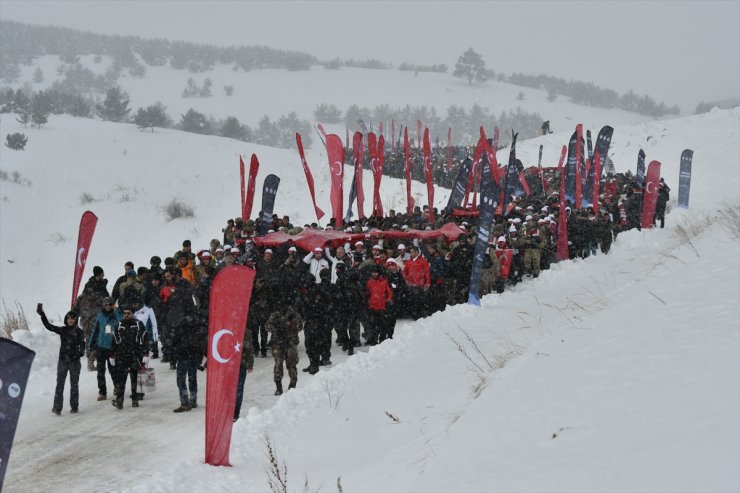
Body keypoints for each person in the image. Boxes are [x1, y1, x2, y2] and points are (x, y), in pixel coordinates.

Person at [37, 304, 85, 415]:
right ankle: (57, 408)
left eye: (73, 318)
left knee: (74, 385)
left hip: (74, 362)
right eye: (68, 318)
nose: (70, 320)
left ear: (75, 320)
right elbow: (49, 326)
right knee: (60, 385)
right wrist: (42, 314)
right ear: (66, 319)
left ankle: (74, 406)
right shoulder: (62, 330)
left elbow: (83, 344)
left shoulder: (79, 332)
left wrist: (80, 353)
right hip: (63, 361)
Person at [110, 305, 148, 409]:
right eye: (125, 313)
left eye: (128, 313)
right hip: (121, 355)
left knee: (135, 378)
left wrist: (146, 354)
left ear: (132, 314)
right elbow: (114, 340)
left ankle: (135, 399)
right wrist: (112, 355)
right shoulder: (119, 324)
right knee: (121, 379)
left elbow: (145, 339)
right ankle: (119, 400)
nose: (126, 315)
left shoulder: (139, 324)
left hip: (135, 355)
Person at [88, 296, 122, 401]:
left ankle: (117, 386)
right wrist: (91, 344)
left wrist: (115, 311)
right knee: (100, 371)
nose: (107, 307)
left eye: (109, 305)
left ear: (113, 305)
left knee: (113, 370)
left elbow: (122, 324)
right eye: (105, 305)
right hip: (101, 347)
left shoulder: (118, 315)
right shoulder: (100, 315)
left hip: (113, 347)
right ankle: (102, 392)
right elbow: (96, 330)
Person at [265, 308, 303, 396]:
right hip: (278, 344)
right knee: (278, 365)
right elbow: (267, 326)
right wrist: (276, 327)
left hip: (291, 343)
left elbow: (300, 326)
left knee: (291, 365)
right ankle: (279, 387)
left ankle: (292, 385)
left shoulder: (294, 314)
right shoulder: (275, 315)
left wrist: (291, 324)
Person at [233, 324, 255, 421]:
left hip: (240, 364)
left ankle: (235, 412)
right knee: (230, 389)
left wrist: (250, 364)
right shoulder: (226, 329)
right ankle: (229, 410)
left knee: (238, 388)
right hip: (229, 364)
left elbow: (249, 349)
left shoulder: (246, 332)